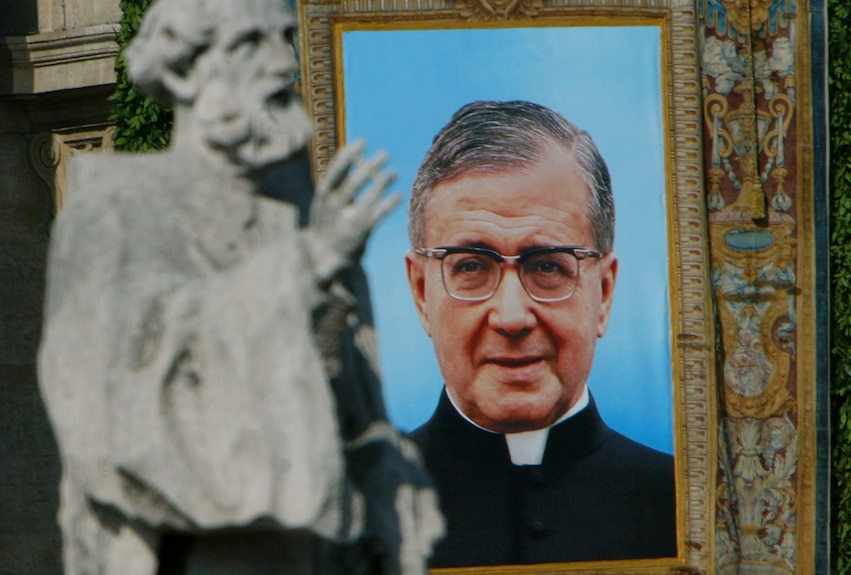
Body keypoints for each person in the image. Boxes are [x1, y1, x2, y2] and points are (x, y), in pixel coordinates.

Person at [38, 0, 442, 573]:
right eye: (252, 42)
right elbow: (104, 400)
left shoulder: (304, 213)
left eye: (285, 38)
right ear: (183, 69)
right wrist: (304, 269)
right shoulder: (116, 207)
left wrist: (388, 481)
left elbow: (356, 406)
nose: (284, 63)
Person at [404, 100, 677, 567]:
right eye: (470, 266)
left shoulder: (686, 505)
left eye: (548, 266)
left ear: (605, 293)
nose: (511, 317)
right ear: (422, 292)